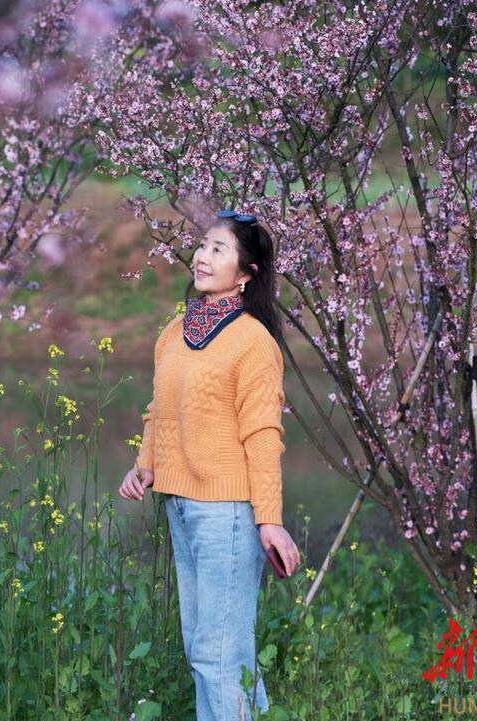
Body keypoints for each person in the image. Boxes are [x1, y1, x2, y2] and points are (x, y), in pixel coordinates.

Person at [119, 210, 301, 720]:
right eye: (202, 245)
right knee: (213, 650)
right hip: (180, 505)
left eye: (218, 249)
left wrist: (270, 519)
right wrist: (146, 465)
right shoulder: (176, 331)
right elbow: (160, 408)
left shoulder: (253, 343)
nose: (202, 256)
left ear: (246, 273)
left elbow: (263, 435)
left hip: (227, 512)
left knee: (216, 654)